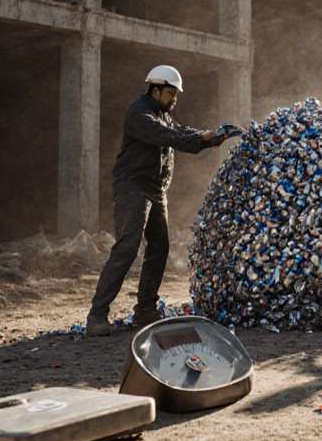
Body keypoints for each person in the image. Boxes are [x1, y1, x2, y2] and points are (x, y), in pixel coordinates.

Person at [86, 65, 231, 337]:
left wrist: (211, 139)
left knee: (160, 247)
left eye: (176, 93)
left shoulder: (163, 114)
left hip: (155, 190)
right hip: (133, 188)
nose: (174, 98)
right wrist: (200, 137)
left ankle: (145, 310)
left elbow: (181, 133)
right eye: (170, 92)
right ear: (155, 89)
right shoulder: (139, 113)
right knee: (127, 247)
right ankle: (97, 314)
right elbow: (166, 136)